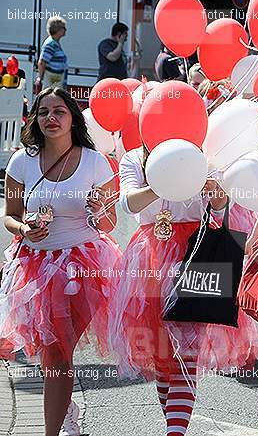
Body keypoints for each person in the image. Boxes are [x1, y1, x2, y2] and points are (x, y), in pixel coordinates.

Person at [0, 87, 121, 436]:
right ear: (35, 119)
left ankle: (51, 429)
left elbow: (110, 224)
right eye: (43, 112)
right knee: (50, 354)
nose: (51, 118)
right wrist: (24, 227)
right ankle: (65, 409)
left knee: (57, 350)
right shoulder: (21, 161)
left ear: (73, 118)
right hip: (34, 265)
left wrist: (99, 210)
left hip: (83, 266)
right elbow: (10, 214)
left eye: (59, 112)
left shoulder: (95, 162)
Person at [109, 140, 244, 436]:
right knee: (162, 354)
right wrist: (165, 180)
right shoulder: (134, 158)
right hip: (150, 260)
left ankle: (175, 432)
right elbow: (128, 202)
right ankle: (175, 426)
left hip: (197, 254)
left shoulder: (206, 154)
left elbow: (221, 213)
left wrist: (218, 199)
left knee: (188, 351)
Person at [35, 16, 68, 94]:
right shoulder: (50, 44)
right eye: (64, 28)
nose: (65, 30)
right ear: (57, 29)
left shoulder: (55, 43)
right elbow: (42, 62)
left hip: (56, 80)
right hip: (51, 81)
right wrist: (41, 77)